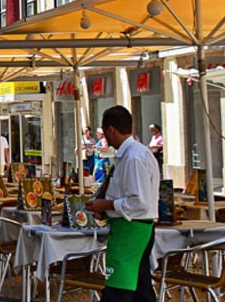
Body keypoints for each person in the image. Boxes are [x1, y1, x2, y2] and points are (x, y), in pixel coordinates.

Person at [86, 106, 159, 302]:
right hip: (131, 228)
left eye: (105, 132)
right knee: (140, 289)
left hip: (132, 230)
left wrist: (107, 205)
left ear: (111, 129)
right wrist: (106, 209)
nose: (105, 139)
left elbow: (139, 201)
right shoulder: (132, 154)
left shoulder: (134, 157)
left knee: (118, 290)